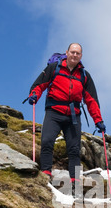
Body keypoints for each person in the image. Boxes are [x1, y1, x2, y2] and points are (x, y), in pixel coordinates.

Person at [27, 43, 106, 195]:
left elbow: (91, 100)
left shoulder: (84, 75)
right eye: (72, 52)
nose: (74, 55)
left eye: (78, 53)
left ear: (81, 56)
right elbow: (40, 84)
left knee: (74, 150)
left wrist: (98, 120)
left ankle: (75, 182)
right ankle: (45, 174)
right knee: (47, 141)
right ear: (67, 53)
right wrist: (34, 95)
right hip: (54, 112)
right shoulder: (54, 68)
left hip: (73, 116)